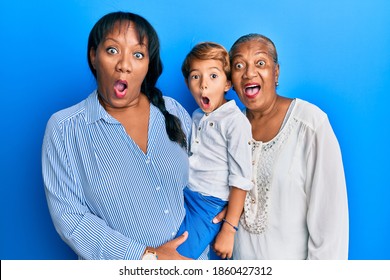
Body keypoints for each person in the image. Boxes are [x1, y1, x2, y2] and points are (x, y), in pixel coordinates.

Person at [42, 11, 213, 260]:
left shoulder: (173, 111)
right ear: (93, 56)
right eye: (112, 51)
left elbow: (203, 182)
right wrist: (147, 258)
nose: (124, 64)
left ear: (147, 65)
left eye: (137, 54)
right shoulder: (64, 129)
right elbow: (70, 218)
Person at [229, 34, 349, 259]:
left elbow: (330, 225)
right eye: (238, 65)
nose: (249, 73)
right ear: (230, 81)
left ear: (276, 73)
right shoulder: (229, 130)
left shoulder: (309, 124)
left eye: (260, 63)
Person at [175, 42, 253, 260]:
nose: (203, 85)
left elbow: (241, 178)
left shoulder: (235, 122)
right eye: (195, 77)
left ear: (228, 83)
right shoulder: (197, 116)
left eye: (213, 76)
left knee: (177, 258)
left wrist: (229, 229)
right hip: (185, 195)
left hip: (209, 205)